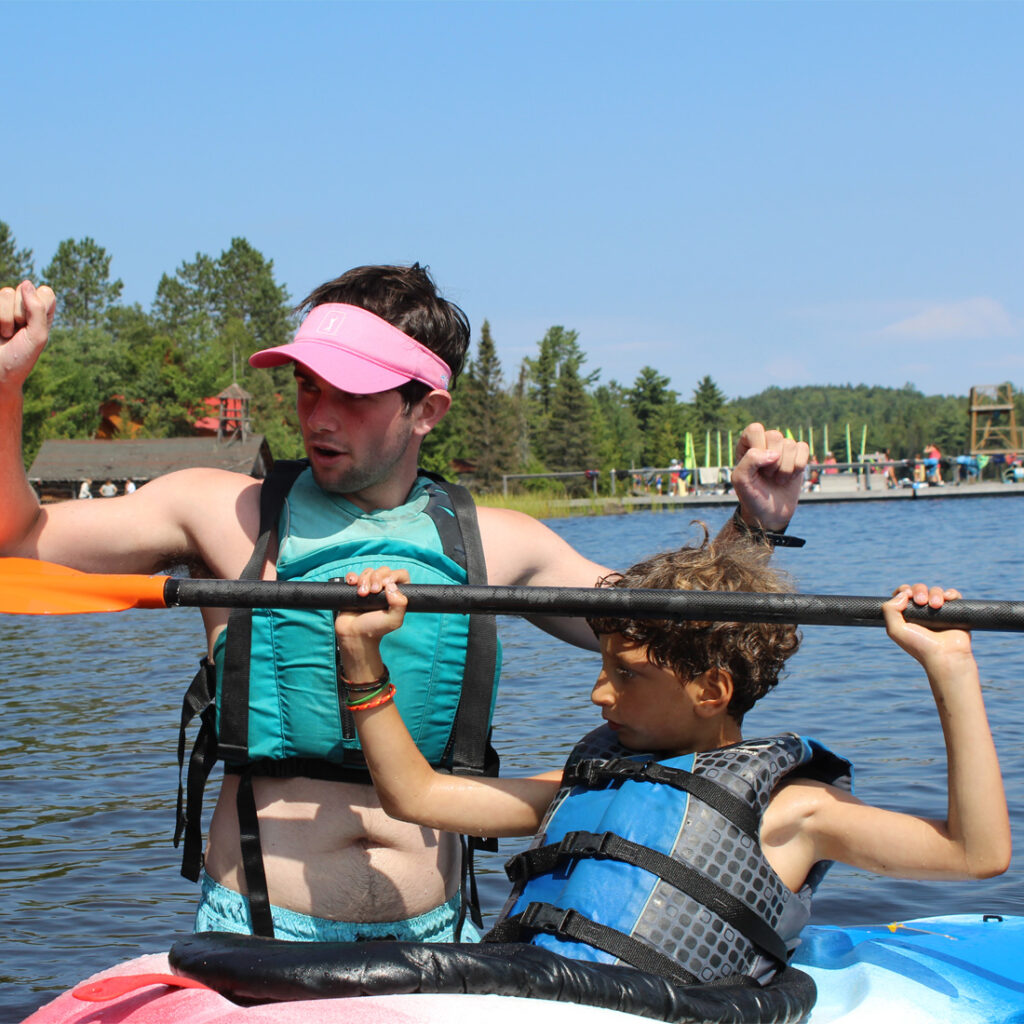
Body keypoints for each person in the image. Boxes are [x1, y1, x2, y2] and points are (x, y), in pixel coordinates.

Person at [0, 275, 808, 944]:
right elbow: (21, 542)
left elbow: (677, 638)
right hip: (257, 929)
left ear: (427, 410)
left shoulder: (500, 542)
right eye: (306, 386)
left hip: (439, 934)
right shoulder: (219, 512)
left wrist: (755, 530)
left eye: (350, 394)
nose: (316, 415)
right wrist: (7, 388)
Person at [335, 543, 1010, 985]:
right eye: (603, 670)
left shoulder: (793, 812)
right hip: (523, 996)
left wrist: (950, 668)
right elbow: (414, 795)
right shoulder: (588, 784)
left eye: (625, 676)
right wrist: (363, 660)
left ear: (710, 691)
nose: (599, 694)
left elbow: (974, 853)